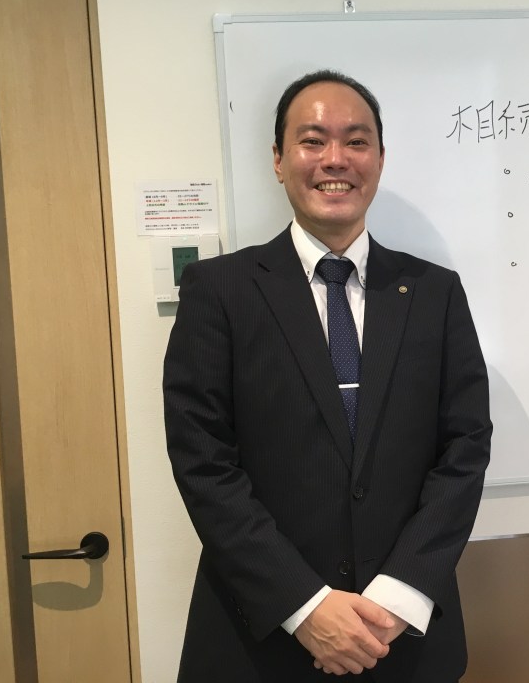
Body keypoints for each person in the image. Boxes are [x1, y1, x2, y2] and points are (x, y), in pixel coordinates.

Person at [164, 69, 492, 682]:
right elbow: (202, 461)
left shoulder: (434, 292)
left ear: (380, 159)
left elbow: (465, 449)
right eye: (312, 141)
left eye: (356, 141)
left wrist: (397, 596)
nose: (335, 159)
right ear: (278, 160)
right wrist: (304, 606)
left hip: (400, 638)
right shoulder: (219, 290)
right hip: (259, 637)